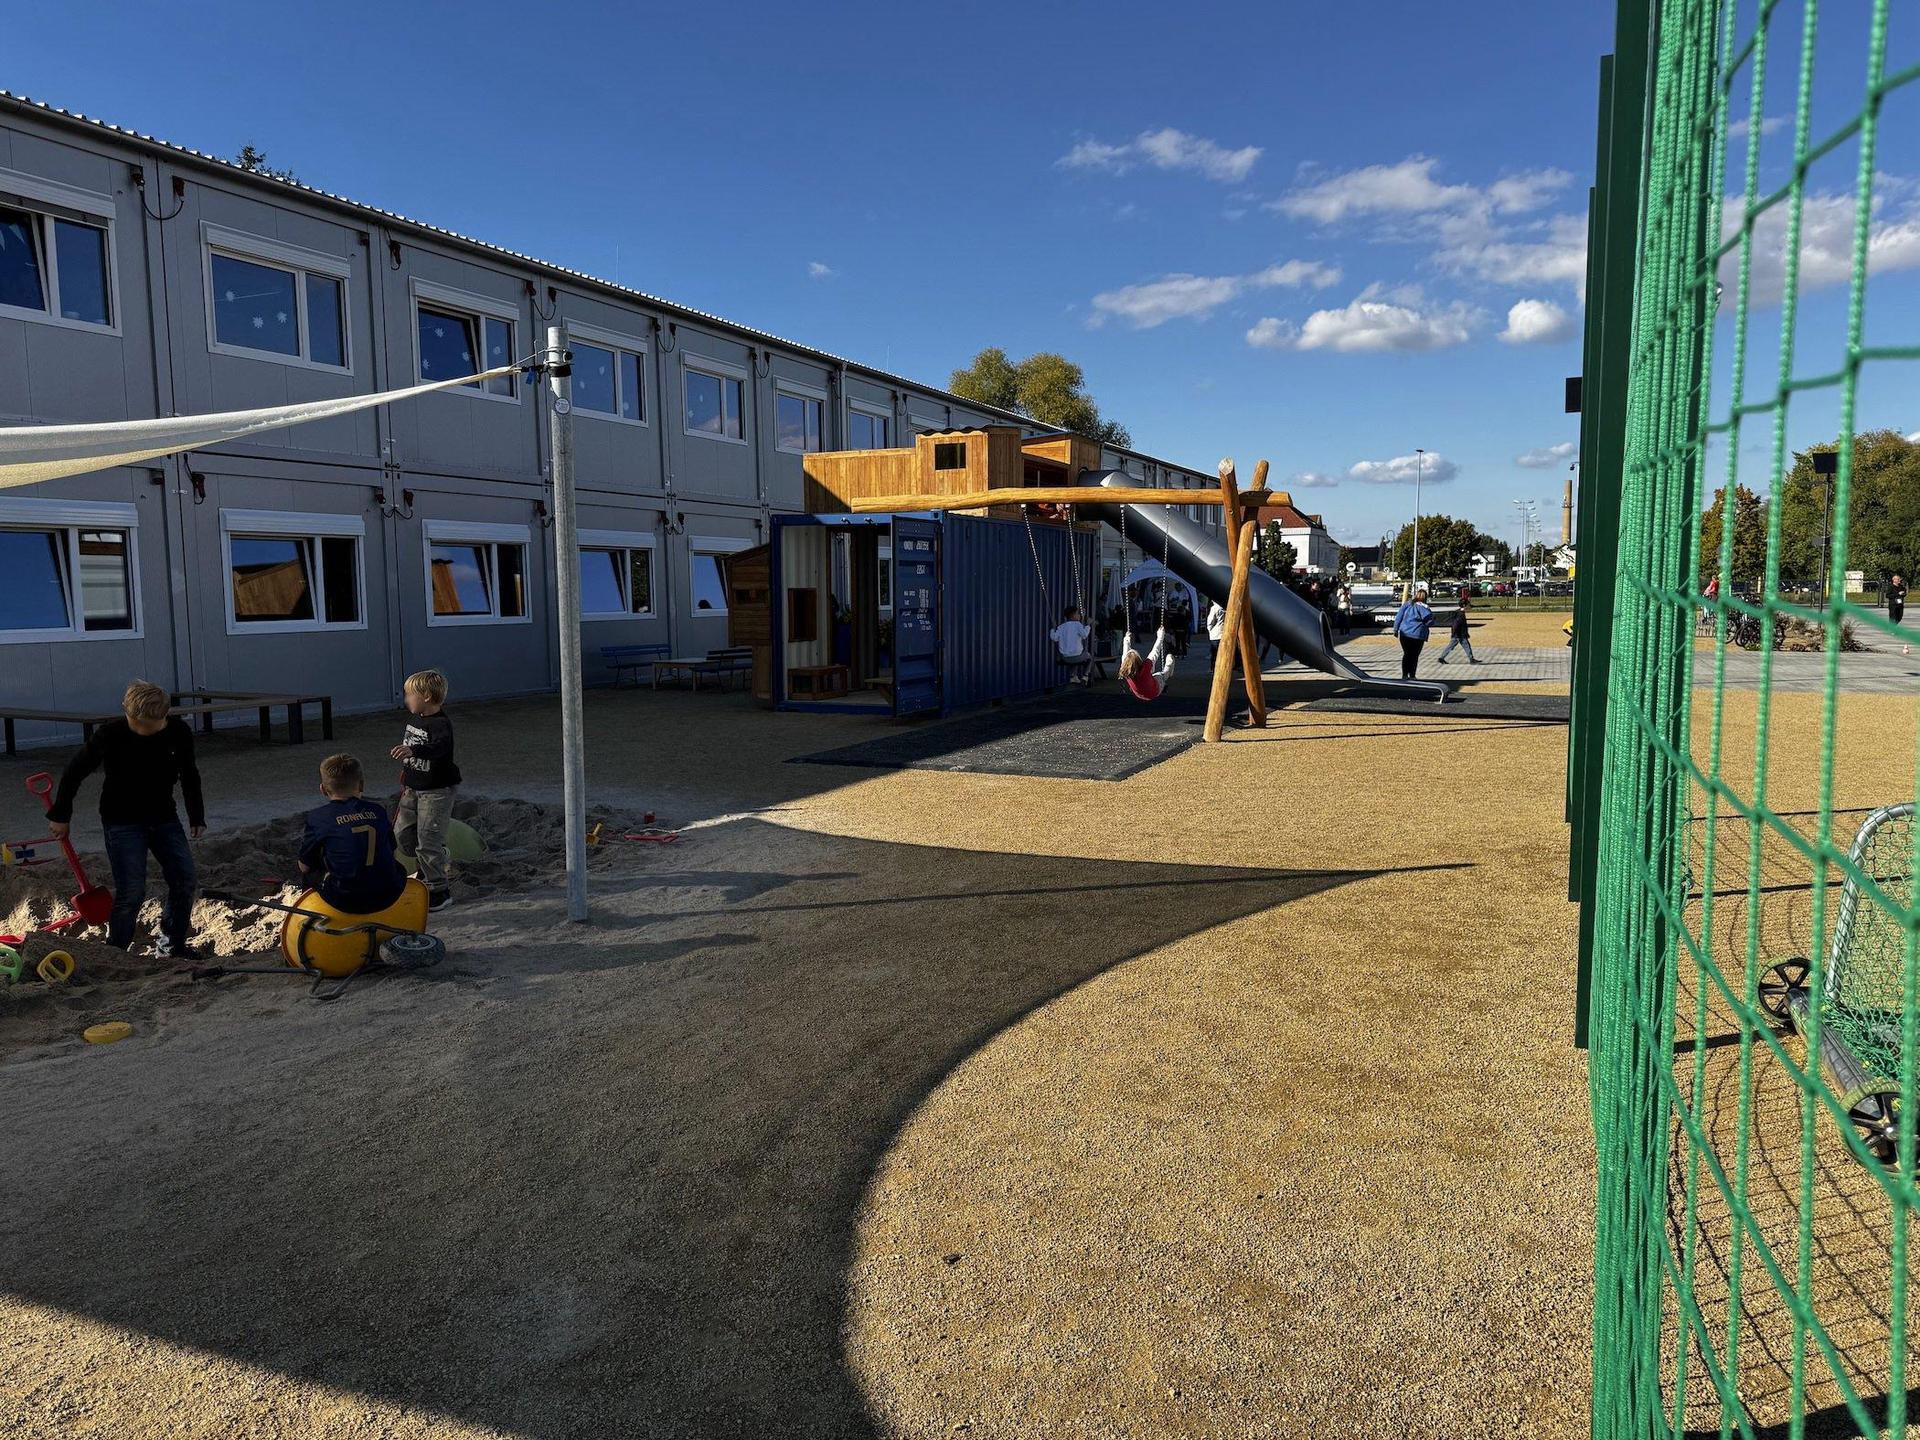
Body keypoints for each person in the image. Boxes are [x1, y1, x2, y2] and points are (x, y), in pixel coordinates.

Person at [46, 679, 204, 956]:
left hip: (164, 817)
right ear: (127, 713)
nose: (143, 730)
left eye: (150, 725)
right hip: (122, 822)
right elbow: (74, 772)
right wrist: (61, 814)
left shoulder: (178, 732)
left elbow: (190, 774)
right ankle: (116, 951)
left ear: (165, 715)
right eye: (138, 723)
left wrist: (196, 815)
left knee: (184, 880)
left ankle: (171, 945)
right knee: (132, 890)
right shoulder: (110, 735)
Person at [299, 753, 408, 915]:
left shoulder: (318, 817)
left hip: (346, 901)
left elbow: (304, 866)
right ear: (362, 785)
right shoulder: (377, 810)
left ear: (323, 789)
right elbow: (392, 850)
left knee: (311, 872)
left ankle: (313, 915)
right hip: (389, 894)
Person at [390, 668, 461, 911]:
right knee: (403, 836)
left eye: (410, 695)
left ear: (427, 697)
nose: (406, 699)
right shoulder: (414, 718)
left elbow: (439, 748)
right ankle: (434, 860)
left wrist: (414, 751)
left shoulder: (441, 724)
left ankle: (439, 890)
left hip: (437, 790)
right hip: (412, 788)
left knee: (427, 840)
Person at [1118, 628, 1177, 701]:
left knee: (1150, 673)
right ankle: (1169, 667)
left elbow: (1125, 654)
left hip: (1139, 694)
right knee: (1161, 675)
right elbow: (1155, 652)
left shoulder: (1125, 669)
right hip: (1154, 692)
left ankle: (1159, 674)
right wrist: (1160, 636)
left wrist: (1126, 639)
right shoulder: (1145, 667)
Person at [1393, 583, 1434, 680]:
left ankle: (1404, 674)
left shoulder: (1407, 604)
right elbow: (1429, 620)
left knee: (1406, 654)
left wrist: (1395, 629)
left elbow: (1398, 617)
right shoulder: (1424, 607)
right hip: (1417, 634)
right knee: (1414, 655)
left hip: (1404, 633)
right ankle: (1412, 675)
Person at [1049, 604, 1094, 685]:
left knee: (1073, 654)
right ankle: (1085, 676)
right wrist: (1088, 625)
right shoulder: (1078, 625)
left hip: (1065, 657)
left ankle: (1073, 676)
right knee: (1089, 657)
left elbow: (1054, 638)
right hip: (1077, 657)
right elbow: (1084, 635)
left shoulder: (1061, 627)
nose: (1079, 615)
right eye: (1077, 614)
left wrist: (1053, 628)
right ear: (1073, 616)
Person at [1436, 593, 1477, 665]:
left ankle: (1471, 658)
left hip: (1460, 634)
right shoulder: (1460, 615)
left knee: (1463, 646)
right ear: (1464, 605)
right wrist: (1454, 633)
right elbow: (1456, 625)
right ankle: (1471, 659)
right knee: (1460, 646)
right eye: (1468, 605)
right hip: (1459, 635)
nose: (1469, 606)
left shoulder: (1459, 612)